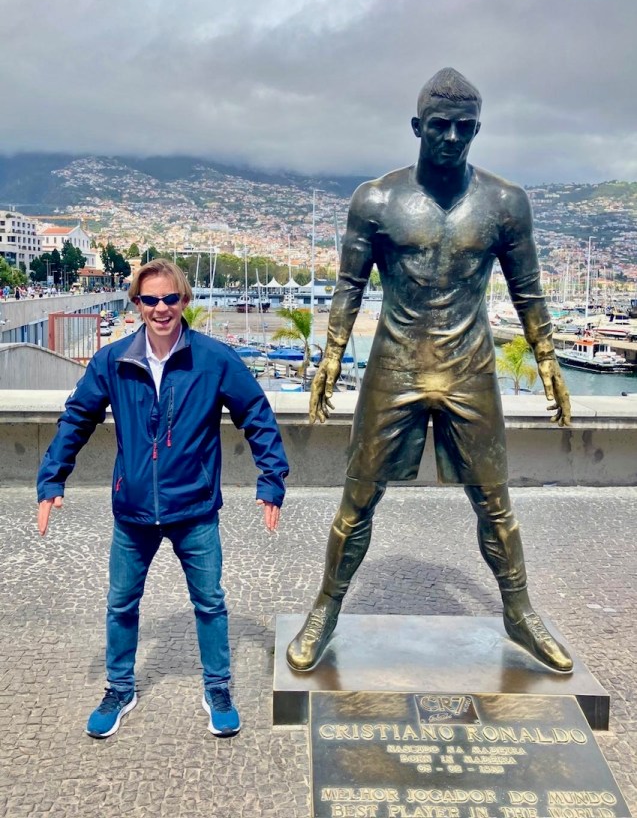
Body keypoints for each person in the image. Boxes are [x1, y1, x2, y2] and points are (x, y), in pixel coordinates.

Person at [287, 68, 573, 675]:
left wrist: (547, 358)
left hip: (469, 367)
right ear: (417, 127)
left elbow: (529, 292)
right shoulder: (377, 200)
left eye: (464, 128)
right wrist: (331, 357)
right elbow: (348, 286)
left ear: (477, 130)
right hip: (393, 365)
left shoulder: (504, 203)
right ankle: (326, 609)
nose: (451, 138)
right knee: (358, 499)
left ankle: (519, 612)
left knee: (495, 503)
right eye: (439, 126)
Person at [37, 258, 289, 738]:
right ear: (136, 304)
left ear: (184, 301)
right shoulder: (112, 362)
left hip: (194, 510)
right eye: (150, 299)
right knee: (120, 604)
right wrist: (52, 479)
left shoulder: (213, 359)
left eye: (170, 298)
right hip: (132, 512)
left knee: (210, 602)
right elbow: (76, 419)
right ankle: (119, 687)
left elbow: (256, 412)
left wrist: (271, 478)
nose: (161, 308)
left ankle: (217, 686)